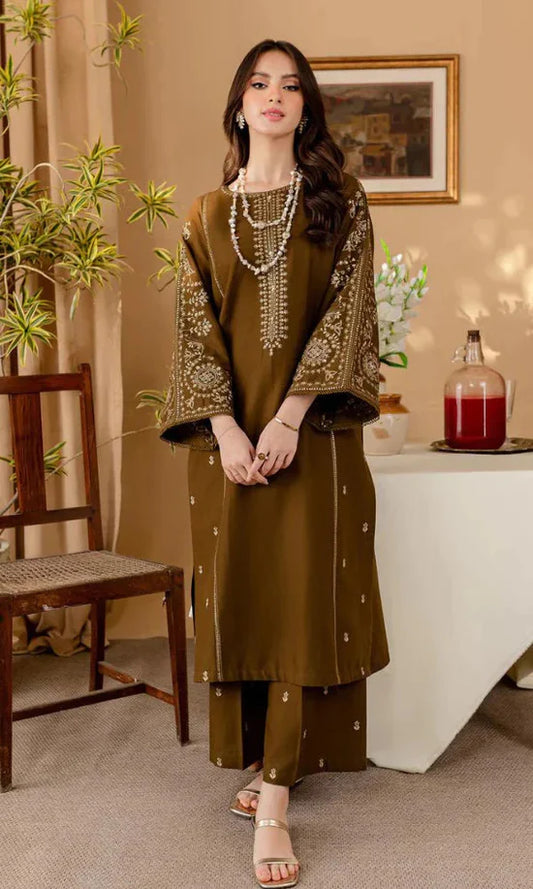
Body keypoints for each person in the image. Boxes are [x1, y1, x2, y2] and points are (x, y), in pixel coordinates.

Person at [160, 38, 390, 889]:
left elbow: (347, 318)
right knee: (246, 593)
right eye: (259, 83)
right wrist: (226, 431)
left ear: (305, 109)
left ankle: (277, 799)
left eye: (290, 87)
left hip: (313, 437)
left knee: (302, 599)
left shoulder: (340, 204)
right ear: (238, 105)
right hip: (227, 444)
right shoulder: (204, 215)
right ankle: (262, 760)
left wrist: (290, 416)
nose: (274, 96)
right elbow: (193, 334)